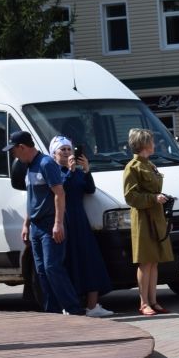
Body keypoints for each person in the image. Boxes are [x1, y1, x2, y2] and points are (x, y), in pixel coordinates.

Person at [3, 130, 85, 315]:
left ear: (22, 147)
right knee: (41, 271)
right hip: (36, 226)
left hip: (49, 224)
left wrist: (58, 223)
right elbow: (33, 198)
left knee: (52, 267)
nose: (13, 154)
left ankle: (74, 309)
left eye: (13, 150)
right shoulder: (29, 166)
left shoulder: (46, 163)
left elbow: (59, 194)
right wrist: (26, 224)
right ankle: (52, 310)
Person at [50, 136, 114, 318]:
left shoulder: (76, 172)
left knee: (90, 260)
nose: (67, 153)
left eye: (69, 149)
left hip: (80, 220)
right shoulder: (55, 172)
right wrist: (70, 171)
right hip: (65, 219)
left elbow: (89, 189)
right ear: (54, 153)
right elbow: (62, 190)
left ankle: (93, 306)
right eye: (62, 150)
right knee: (69, 262)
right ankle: (70, 305)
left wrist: (86, 170)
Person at [123, 128, 174, 316]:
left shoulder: (150, 164)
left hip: (155, 217)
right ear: (144, 144)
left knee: (154, 261)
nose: (154, 144)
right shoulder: (133, 166)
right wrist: (154, 199)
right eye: (151, 141)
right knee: (145, 262)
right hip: (143, 219)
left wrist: (160, 199)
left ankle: (153, 301)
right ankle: (144, 303)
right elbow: (130, 197)